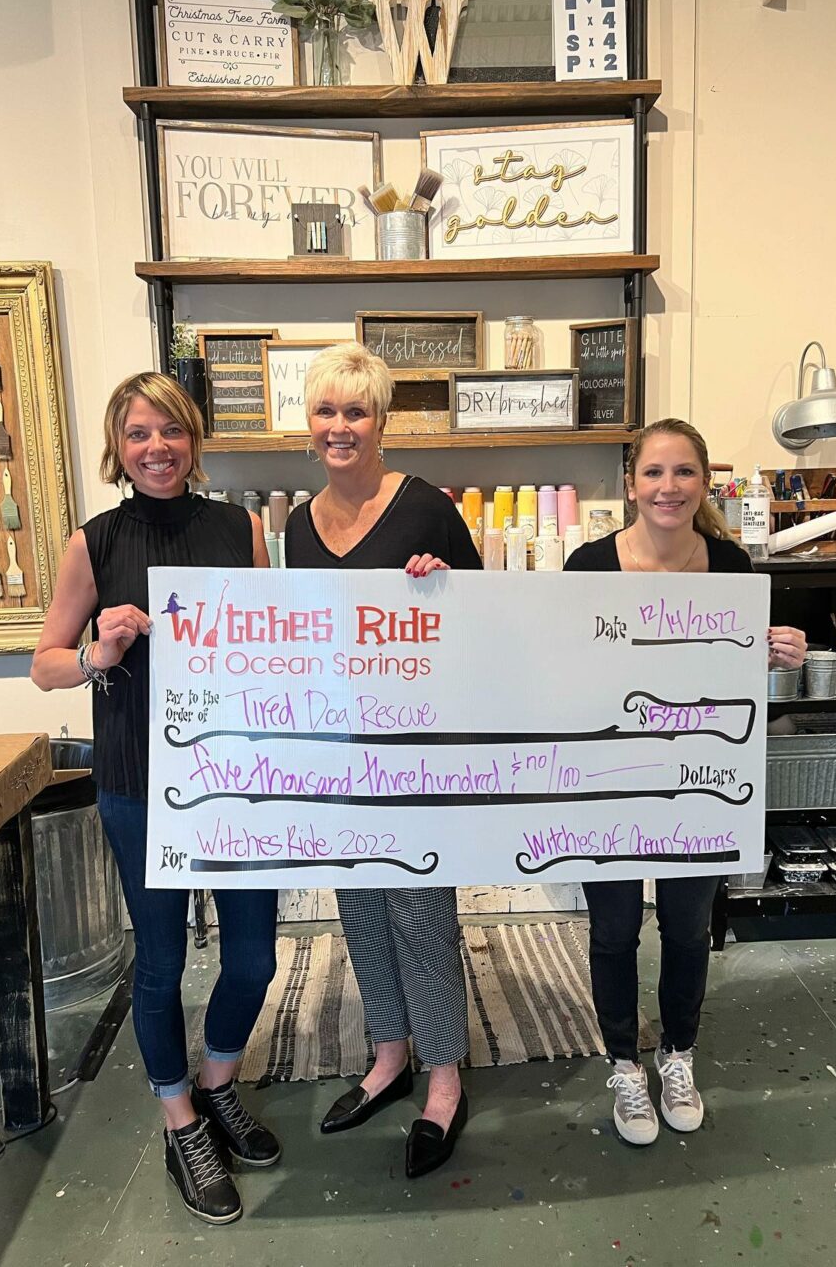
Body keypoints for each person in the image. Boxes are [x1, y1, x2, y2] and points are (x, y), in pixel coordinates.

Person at [31, 373, 279, 1226]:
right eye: (138, 433)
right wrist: (97, 652)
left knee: (254, 958)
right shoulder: (94, 542)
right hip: (139, 784)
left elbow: (276, 640)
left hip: (237, 780)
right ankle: (181, 1121)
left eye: (170, 430)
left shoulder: (240, 529)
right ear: (119, 446)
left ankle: (218, 1085)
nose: (156, 448)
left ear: (193, 438)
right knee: (164, 962)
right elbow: (45, 663)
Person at [563, 418, 805, 1147]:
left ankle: (677, 1056)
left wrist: (777, 653)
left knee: (687, 928)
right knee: (613, 930)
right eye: (654, 472)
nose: (668, 488)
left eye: (684, 472)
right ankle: (623, 1065)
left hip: (698, 780)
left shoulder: (732, 567)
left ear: (704, 482)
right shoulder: (588, 566)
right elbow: (558, 668)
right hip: (610, 777)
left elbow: (733, 673)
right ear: (630, 484)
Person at [283, 343, 481, 1179]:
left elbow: (486, 618)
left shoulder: (427, 507)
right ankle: (389, 1052)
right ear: (310, 423)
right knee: (360, 904)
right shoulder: (297, 525)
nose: (340, 426)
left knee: (420, 911)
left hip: (416, 746)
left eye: (356, 411)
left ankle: (444, 1075)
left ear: (381, 422)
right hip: (339, 747)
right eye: (326, 410)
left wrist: (443, 587)